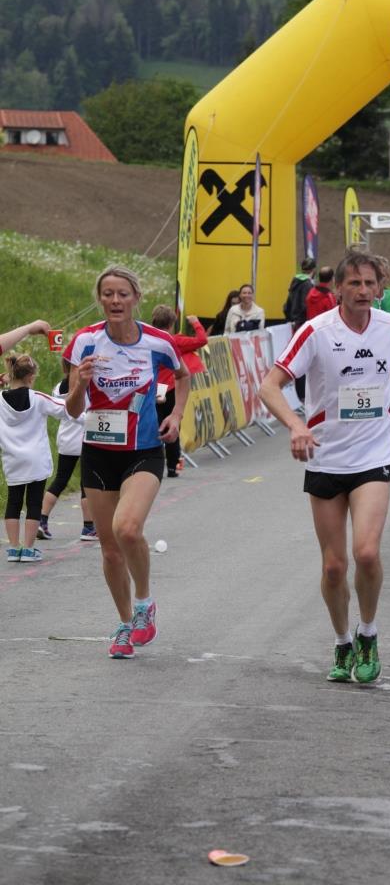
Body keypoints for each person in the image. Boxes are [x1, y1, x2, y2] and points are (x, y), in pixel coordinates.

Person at [259, 250, 390, 685]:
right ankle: (342, 640)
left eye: (370, 283)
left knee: (367, 553)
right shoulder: (316, 331)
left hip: (373, 456)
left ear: (379, 288)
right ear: (338, 288)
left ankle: (368, 633)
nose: (363, 291)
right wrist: (296, 426)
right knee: (334, 567)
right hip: (325, 457)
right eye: (354, 283)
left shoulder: (389, 326)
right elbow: (270, 386)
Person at [64, 265, 190, 659]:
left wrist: (176, 415)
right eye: (108, 294)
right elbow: (72, 410)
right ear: (99, 299)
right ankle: (124, 624)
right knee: (110, 550)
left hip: (143, 450)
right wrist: (81, 384)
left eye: (122, 294)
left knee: (128, 529)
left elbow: (183, 375)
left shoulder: (157, 341)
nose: (115, 301)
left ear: (136, 297)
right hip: (98, 452)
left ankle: (144, 604)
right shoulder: (85, 341)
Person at [1, 352, 68, 563]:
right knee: (34, 503)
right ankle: (29, 549)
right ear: (31, 377)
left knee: (13, 502)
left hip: (12, 459)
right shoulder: (38, 398)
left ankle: (13, 549)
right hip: (37, 459)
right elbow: (65, 410)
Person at [37, 357, 96, 543]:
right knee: (86, 483)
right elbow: (81, 412)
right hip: (85, 437)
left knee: (60, 480)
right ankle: (88, 527)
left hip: (66, 438)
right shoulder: (85, 386)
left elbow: (59, 411)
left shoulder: (58, 387)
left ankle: (42, 520)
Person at [151, 305, 207, 478]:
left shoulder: (147, 340)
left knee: (153, 426)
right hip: (169, 389)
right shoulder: (175, 341)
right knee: (172, 426)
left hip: (152, 388)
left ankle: (152, 464)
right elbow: (202, 340)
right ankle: (173, 466)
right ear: (171, 323)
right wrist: (195, 322)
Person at [283, 258, 316, 330]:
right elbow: (305, 305)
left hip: (292, 322)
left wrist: (290, 320)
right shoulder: (308, 285)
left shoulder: (295, 281)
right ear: (313, 270)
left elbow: (287, 305)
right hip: (302, 323)